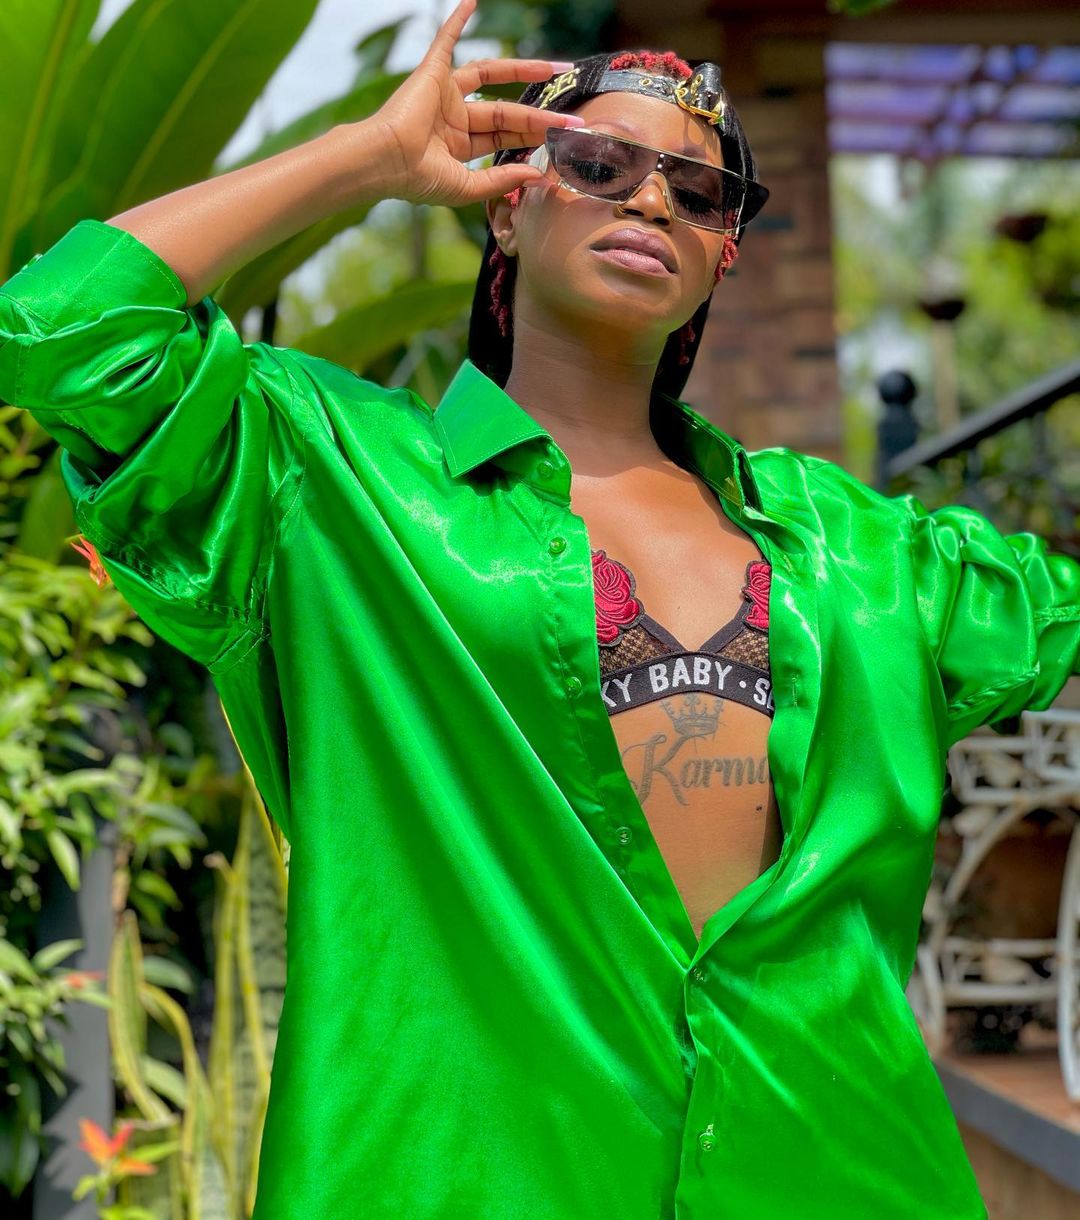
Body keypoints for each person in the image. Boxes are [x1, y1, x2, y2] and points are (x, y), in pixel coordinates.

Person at [1, 0, 1076, 1214]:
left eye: (697, 190)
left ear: (725, 251)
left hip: (836, 1170)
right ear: (509, 202)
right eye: (599, 164)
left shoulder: (860, 547)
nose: (650, 199)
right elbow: (64, 326)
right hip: (470, 1176)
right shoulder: (332, 481)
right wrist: (367, 156)